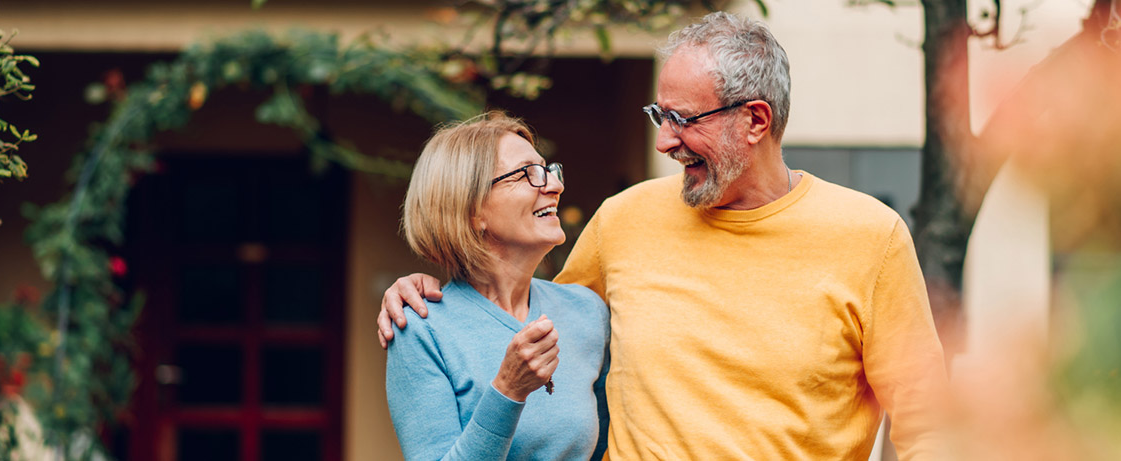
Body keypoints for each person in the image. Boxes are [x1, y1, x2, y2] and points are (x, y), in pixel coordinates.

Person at [379, 12, 948, 460]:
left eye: (684, 120)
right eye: (660, 115)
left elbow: (930, 423)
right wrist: (427, 286)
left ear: (755, 120)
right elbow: (522, 314)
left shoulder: (870, 237)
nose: (664, 142)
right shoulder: (623, 219)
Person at [384, 111, 611, 461]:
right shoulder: (420, 328)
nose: (554, 185)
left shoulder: (587, 312)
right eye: (528, 174)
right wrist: (508, 390)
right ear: (472, 210)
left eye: (549, 170)